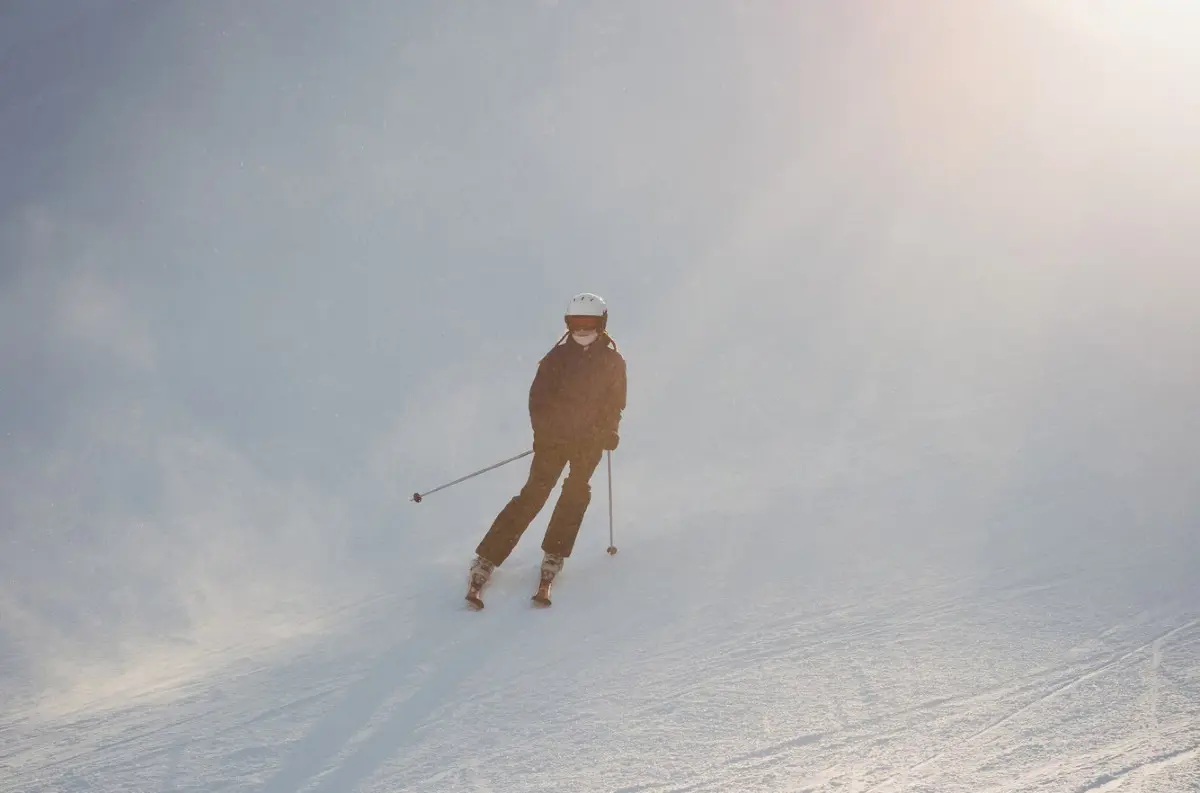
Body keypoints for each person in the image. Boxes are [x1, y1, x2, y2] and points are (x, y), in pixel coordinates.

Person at [466, 293, 626, 608]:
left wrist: (609, 431)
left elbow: (614, 402)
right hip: (554, 440)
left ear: (601, 324)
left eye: (588, 323)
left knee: (576, 491)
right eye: (576, 323)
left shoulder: (612, 361)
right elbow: (538, 401)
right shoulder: (556, 358)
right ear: (568, 325)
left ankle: (555, 552)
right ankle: (487, 556)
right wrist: (545, 434)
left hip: (589, 441)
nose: (582, 330)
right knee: (535, 494)